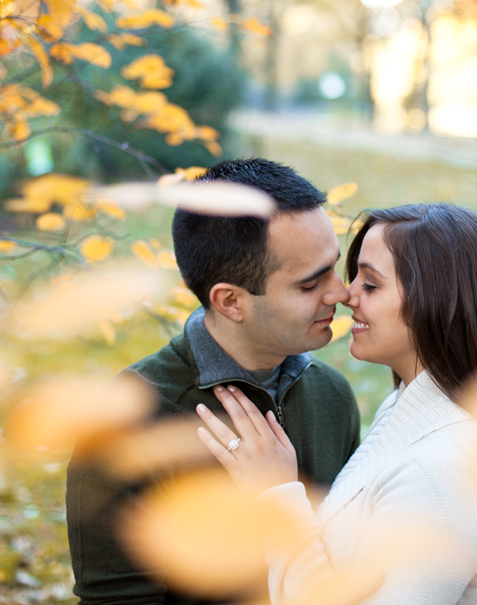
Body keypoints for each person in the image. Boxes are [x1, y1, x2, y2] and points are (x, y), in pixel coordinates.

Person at [197, 203, 477, 604]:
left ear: (439, 303)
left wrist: (278, 497)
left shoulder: (450, 468)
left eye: (370, 285)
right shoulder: (407, 409)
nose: (345, 295)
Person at [66, 159, 362, 605]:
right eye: (309, 284)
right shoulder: (127, 423)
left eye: (333, 267)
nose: (340, 293)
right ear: (230, 302)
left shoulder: (331, 395)